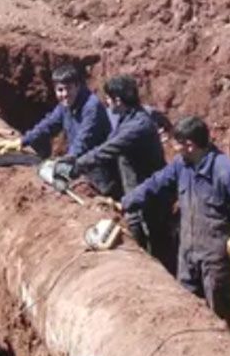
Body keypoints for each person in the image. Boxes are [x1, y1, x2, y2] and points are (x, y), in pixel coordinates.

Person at [120, 116, 230, 329]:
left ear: (190, 145)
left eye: (177, 144)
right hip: (188, 253)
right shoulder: (182, 165)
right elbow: (156, 183)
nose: (173, 148)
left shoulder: (223, 170)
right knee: (186, 309)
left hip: (214, 257)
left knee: (219, 315)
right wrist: (126, 202)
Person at [65, 75, 175, 269]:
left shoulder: (137, 126)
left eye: (108, 98)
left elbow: (108, 150)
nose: (105, 102)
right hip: (137, 191)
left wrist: (76, 165)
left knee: (153, 240)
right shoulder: (130, 116)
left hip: (150, 197)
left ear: (117, 100)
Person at [0, 64, 113, 194]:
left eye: (68, 88)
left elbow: (84, 139)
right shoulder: (65, 105)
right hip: (82, 165)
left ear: (77, 86)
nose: (64, 94)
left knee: (102, 199)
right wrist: (22, 141)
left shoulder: (92, 107)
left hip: (101, 169)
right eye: (60, 90)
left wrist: (66, 160)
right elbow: (48, 125)